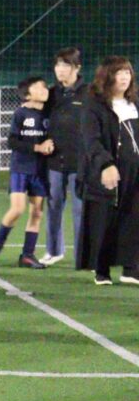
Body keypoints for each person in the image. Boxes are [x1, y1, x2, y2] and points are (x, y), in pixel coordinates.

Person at [76, 56, 139, 285]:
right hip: (105, 172)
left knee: (134, 217)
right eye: (119, 72)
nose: (124, 77)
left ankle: (131, 268)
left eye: (127, 72)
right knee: (104, 219)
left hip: (134, 172)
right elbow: (91, 140)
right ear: (107, 76)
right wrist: (106, 164)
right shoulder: (95, 105)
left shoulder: (134, 102)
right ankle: (101, 269)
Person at [0, 76, 53, 268]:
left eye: (45, 86)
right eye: (38, 87)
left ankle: (27, 255)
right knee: (17, 209)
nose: (44, 90)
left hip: (40, 170)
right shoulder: (21, 113)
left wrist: (50, 145)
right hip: (21, 167)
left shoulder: (50, 114)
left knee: (37, 212)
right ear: (27, 94)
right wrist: (38, 147)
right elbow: (12, 141)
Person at [40, 47, 86, 266]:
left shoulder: (89, 93)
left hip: (81, 162)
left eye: (65, 65)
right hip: (54, 162)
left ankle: (82, 255)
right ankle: (54, 250)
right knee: (53, 206)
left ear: (77, 67)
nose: (60, 69)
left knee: (80, 210)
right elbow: (39, 121)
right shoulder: (51, 94)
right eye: (58, 65)